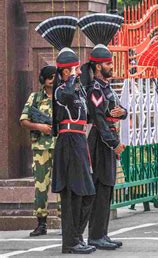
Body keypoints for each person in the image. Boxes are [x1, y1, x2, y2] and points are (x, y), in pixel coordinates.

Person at [36, 15, 96, 254]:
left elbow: (88, 114)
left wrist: (86, 76)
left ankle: (76, 236)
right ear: (62, 72)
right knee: (72, 195)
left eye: (75, 69)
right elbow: (68, 97)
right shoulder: (61, 90)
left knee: (87, 193)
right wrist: (71, 78)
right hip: (68, 142)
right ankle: (70, 242)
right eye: (71, 70)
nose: (75, 73)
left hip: (79, 141)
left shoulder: (77, 88)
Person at [78, 13, 127, 250]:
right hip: (100, 140)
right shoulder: (95, 89)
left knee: (107, 188)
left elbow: (120, 109)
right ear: (98, 66)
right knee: (101, 187)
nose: (111, 66)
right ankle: (95, 235)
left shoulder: (106, 87)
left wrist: (121, 113)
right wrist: (113, 142)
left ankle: (102, 233)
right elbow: (98, 119)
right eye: (108, 63)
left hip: (108, 137)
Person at [20, 66, 57, 237]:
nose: (51, 79)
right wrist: (40, 126)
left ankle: (66, 224)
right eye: (48, 77)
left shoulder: (61, 97)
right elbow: (24, 120)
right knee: (41, 187)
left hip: (60, 146)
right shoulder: (35, 98)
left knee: (63, 185)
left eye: (54, 76)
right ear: (42, 79)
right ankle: (41, 223)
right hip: (41, 148)